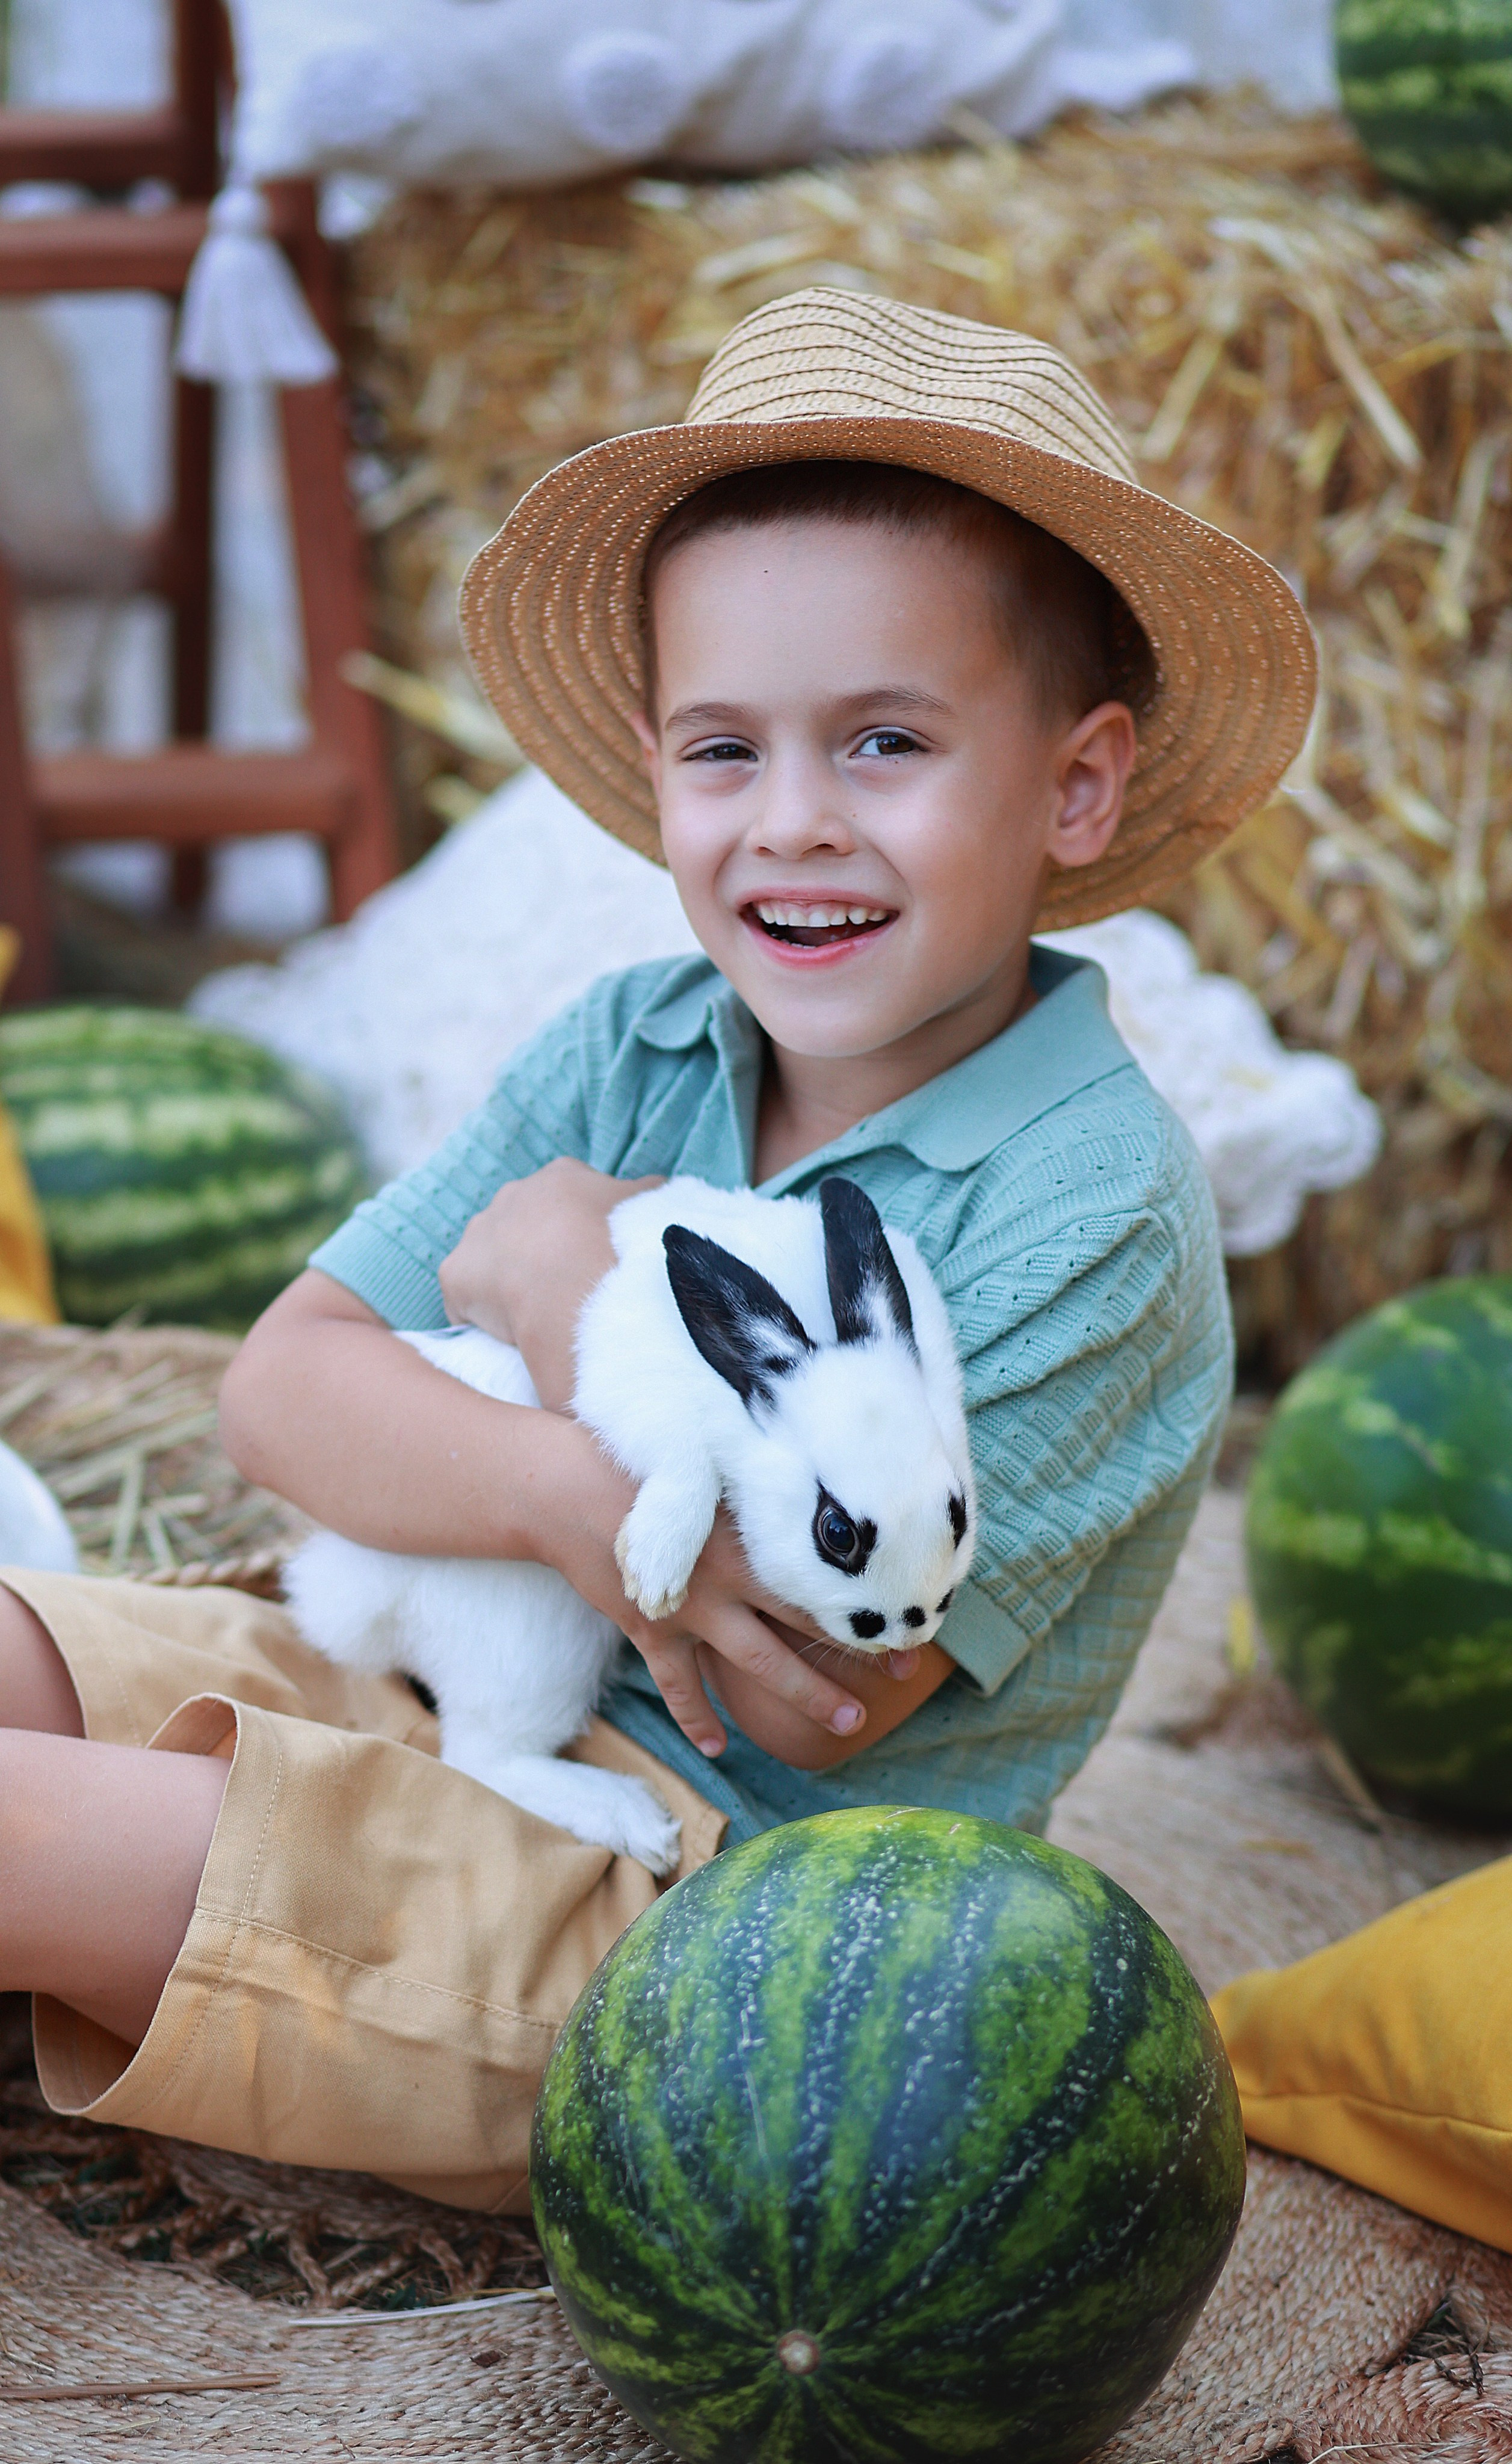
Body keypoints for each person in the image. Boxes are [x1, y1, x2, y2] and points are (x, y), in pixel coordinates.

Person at [0, 290, 1314, 2208]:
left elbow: (804, 1679)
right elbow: (285, 1391)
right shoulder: (639, 1036)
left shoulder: (1089, 1210)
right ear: (652, 763)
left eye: (883, 742)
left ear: (1074, 782)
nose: (792, 825)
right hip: (430, 1656)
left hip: (683, 1905)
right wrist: (548, 1482)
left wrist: (565, 1272)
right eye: (723, 751)